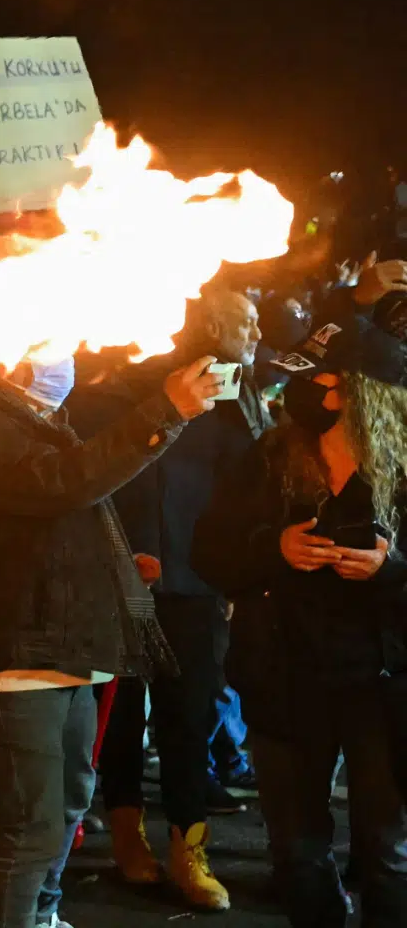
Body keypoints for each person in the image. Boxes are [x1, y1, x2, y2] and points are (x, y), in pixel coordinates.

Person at [0, 350, 220, 928]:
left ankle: (44, 915)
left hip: (65, 657)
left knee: (65, 809)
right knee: (32, 826)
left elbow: (59, 515)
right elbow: (61, 485)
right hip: (15, 664)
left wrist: (109, 566)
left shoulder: (44, 426)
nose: (63, 360)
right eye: (50, 344)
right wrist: (163, 411)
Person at [195, 312, 407, 928]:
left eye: (320, 379)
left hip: (383, 691)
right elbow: (208, 550)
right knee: (298, 853)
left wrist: (391, 568)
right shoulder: (272, 455)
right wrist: (275, 549)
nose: (300, 391)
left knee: (387, 856)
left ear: (356, 390)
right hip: (286, 682)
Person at [83, 288, 268, 911]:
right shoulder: (130, 379)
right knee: (122, 707)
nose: (256, 331)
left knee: (189, 717)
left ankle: (189, 846)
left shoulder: (236, 397)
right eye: (245, 321)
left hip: (199, 583)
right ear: (209, 322)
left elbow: (245, 493)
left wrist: (236, 574)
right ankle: (127, 832)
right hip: (126, 578)